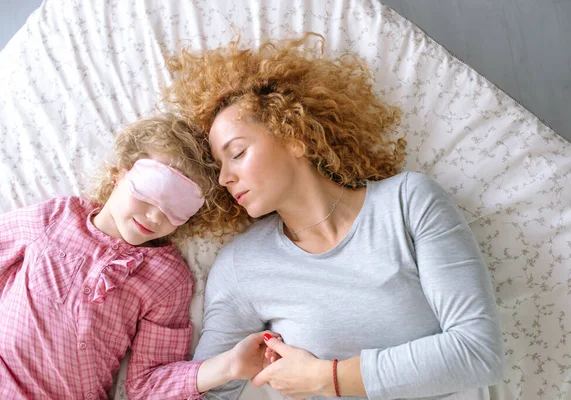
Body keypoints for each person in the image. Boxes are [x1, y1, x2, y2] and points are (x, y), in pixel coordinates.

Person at [165, 33, 504, 399]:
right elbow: (207, 393)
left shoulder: (408, 203)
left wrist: (327, 377)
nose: (224, 177)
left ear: (294, 136)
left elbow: (478, 352)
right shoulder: (241, 266)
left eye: (237, 153)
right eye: (218, 165)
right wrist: (227, 368)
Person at [0, 114, 279, 400]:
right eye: (149, 193)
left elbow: (147, 384)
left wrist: (229, 365)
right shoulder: (56, 218)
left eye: (175, 210)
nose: (156, 216)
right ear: (120, 174)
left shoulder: (166, 278)